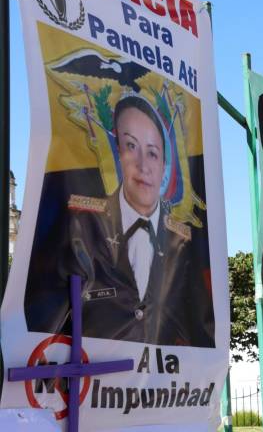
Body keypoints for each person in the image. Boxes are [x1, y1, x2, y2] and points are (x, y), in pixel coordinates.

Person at [25, 95, 215, 347]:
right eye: (131, 146)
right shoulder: (80, 227)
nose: (143, 165)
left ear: (164, 166)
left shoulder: (183, 242)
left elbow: (200, 331)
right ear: (118, 154)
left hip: (165, 383)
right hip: (89, 383)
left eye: (153, 153)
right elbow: (44, 318)